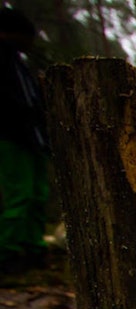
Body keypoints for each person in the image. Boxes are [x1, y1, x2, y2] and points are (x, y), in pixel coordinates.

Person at [0, 7, 49, 273]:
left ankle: (34, 247)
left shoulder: (19, 64)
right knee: (20, 195)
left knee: (37, 194)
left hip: (34, 139)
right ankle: (8, 252)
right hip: (11, 137)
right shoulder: (4, 59)